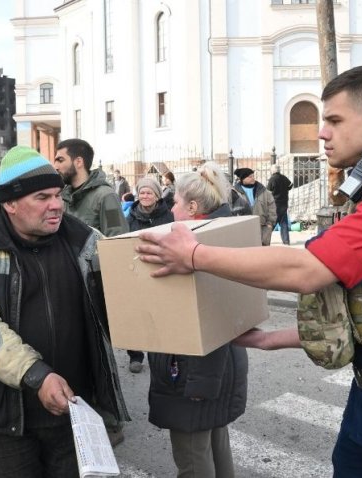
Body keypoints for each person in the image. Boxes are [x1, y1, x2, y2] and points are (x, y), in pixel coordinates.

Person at [135, 64, 362, 477]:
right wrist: (273, 339)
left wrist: (193, 255)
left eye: (335, 120)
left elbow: (308, 268)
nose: (321, 132)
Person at [0, 145, 129, 477]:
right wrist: (37, 375)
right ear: (10, 202)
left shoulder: (84, 239)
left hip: (73, 409)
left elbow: (129, 284)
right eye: (42, 197)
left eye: (58, 194)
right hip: (1, 421)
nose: (57, 205)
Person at [146, 163, 248, 478]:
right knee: (216, 447)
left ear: (192, 207)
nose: (171, 209)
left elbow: (202, 313)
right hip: (219, 366)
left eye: (175, 202)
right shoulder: (222, 234)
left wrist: (198, 382)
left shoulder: (193, 247)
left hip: (194, 371)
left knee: (192, 458)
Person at [125, 177, 173, 373]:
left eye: (149, 193)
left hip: (159, 268)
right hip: (135, 270)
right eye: (142, 192)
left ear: (157, 196)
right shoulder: (131, 217)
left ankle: (162, 354)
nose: (145, 196)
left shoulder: (168, 216)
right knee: (135, 314)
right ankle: (135, 356)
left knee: (160, 313)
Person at [53, 138, 128, 237]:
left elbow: (118, 239)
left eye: (60, 160)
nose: (56, 166)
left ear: (78, 162)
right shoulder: (62, 197)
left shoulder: (106, 196)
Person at [233, 167, 277, 245]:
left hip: (263, 228)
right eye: (250, 177)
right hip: (243, 229)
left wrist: (270, 223)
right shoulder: (234, 192)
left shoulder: (263, 191)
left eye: (253, 176)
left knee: (262, 254)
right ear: (242, 179)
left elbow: (272, 207)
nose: (253, 178)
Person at [267, 164, 294, 245]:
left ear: (272, 171)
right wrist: (286, 190)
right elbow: (290, 185)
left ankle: (266, 240)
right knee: (284, 223)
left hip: (275, 204)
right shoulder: (283, 177)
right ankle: (286, 241)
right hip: (284, 204)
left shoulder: (272, 179)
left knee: (272, 223)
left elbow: (268, 191)